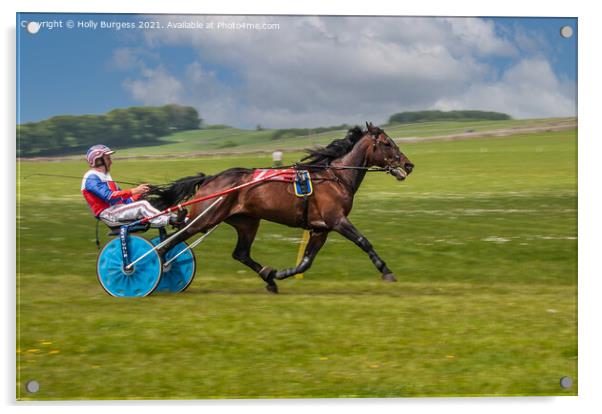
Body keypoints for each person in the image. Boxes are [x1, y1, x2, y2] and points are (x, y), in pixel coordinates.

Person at [81, 144, 183, 227]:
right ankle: (170, 220)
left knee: (149, 203)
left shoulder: (106, 177)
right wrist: (134, 191)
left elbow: (125, 201)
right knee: (142, 205)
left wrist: (140, 193)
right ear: (98, 161)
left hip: (117, 209)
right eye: (108, 158)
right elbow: (108, 197)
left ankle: (182, 219)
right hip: (108, 214)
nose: (111, 162)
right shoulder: (91, 177)